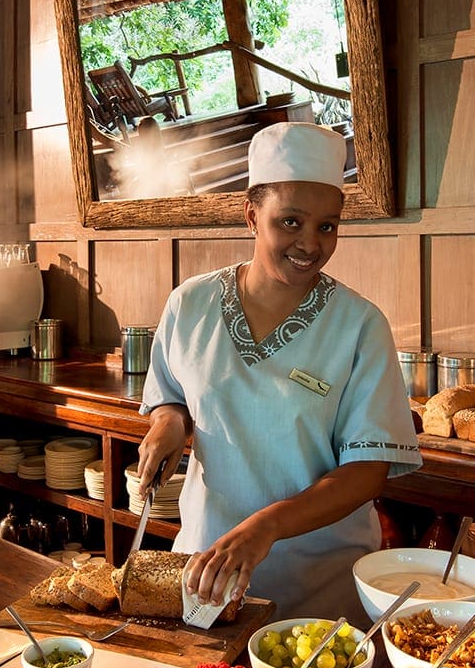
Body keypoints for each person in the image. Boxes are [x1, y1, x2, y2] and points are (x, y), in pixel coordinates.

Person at [135, 123, 422, 619]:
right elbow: (173, 395)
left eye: (326, 226)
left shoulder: (359, 326)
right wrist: (168, 423)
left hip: (320, 588)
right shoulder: (190, 304)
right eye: (290, 222)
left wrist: (266, 525)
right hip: (207, 575)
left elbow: (368, 472)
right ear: (252, 216)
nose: (310, 244)